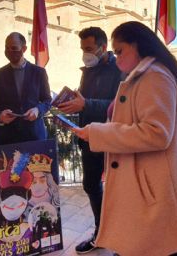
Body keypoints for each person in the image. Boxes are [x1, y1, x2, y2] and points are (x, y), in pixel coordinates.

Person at [72, 21, 177, 256]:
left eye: (119, 51)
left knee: (164, 245)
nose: (116, 58)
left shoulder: (155, 76)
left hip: (154, 186)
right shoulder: (144, 75)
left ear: (138, 46)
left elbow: (156, 133)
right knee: (159, 245)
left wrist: (98, 133)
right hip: (148, 184)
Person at [57, 26, 122, 254]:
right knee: (91, 185)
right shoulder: (87, 70)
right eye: (82, 49)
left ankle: (122, 240)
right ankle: (100, 233)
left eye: (89, 48)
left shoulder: (119, 69)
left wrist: (86, 103)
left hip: (113, 140)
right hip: (89, 138)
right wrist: (70, 107)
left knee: (119, 191)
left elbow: (120, 107)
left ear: (103, 48)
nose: (85, 53)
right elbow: (85, 101)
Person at [0, 32, 51, 145]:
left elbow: (47, 101)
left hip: (34, 138)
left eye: (14, 48)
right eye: (7, 48)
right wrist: (0, 117)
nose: (10, 51)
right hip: (6, 139)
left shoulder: (39, 72)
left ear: (24, 49)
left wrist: (37, 110)